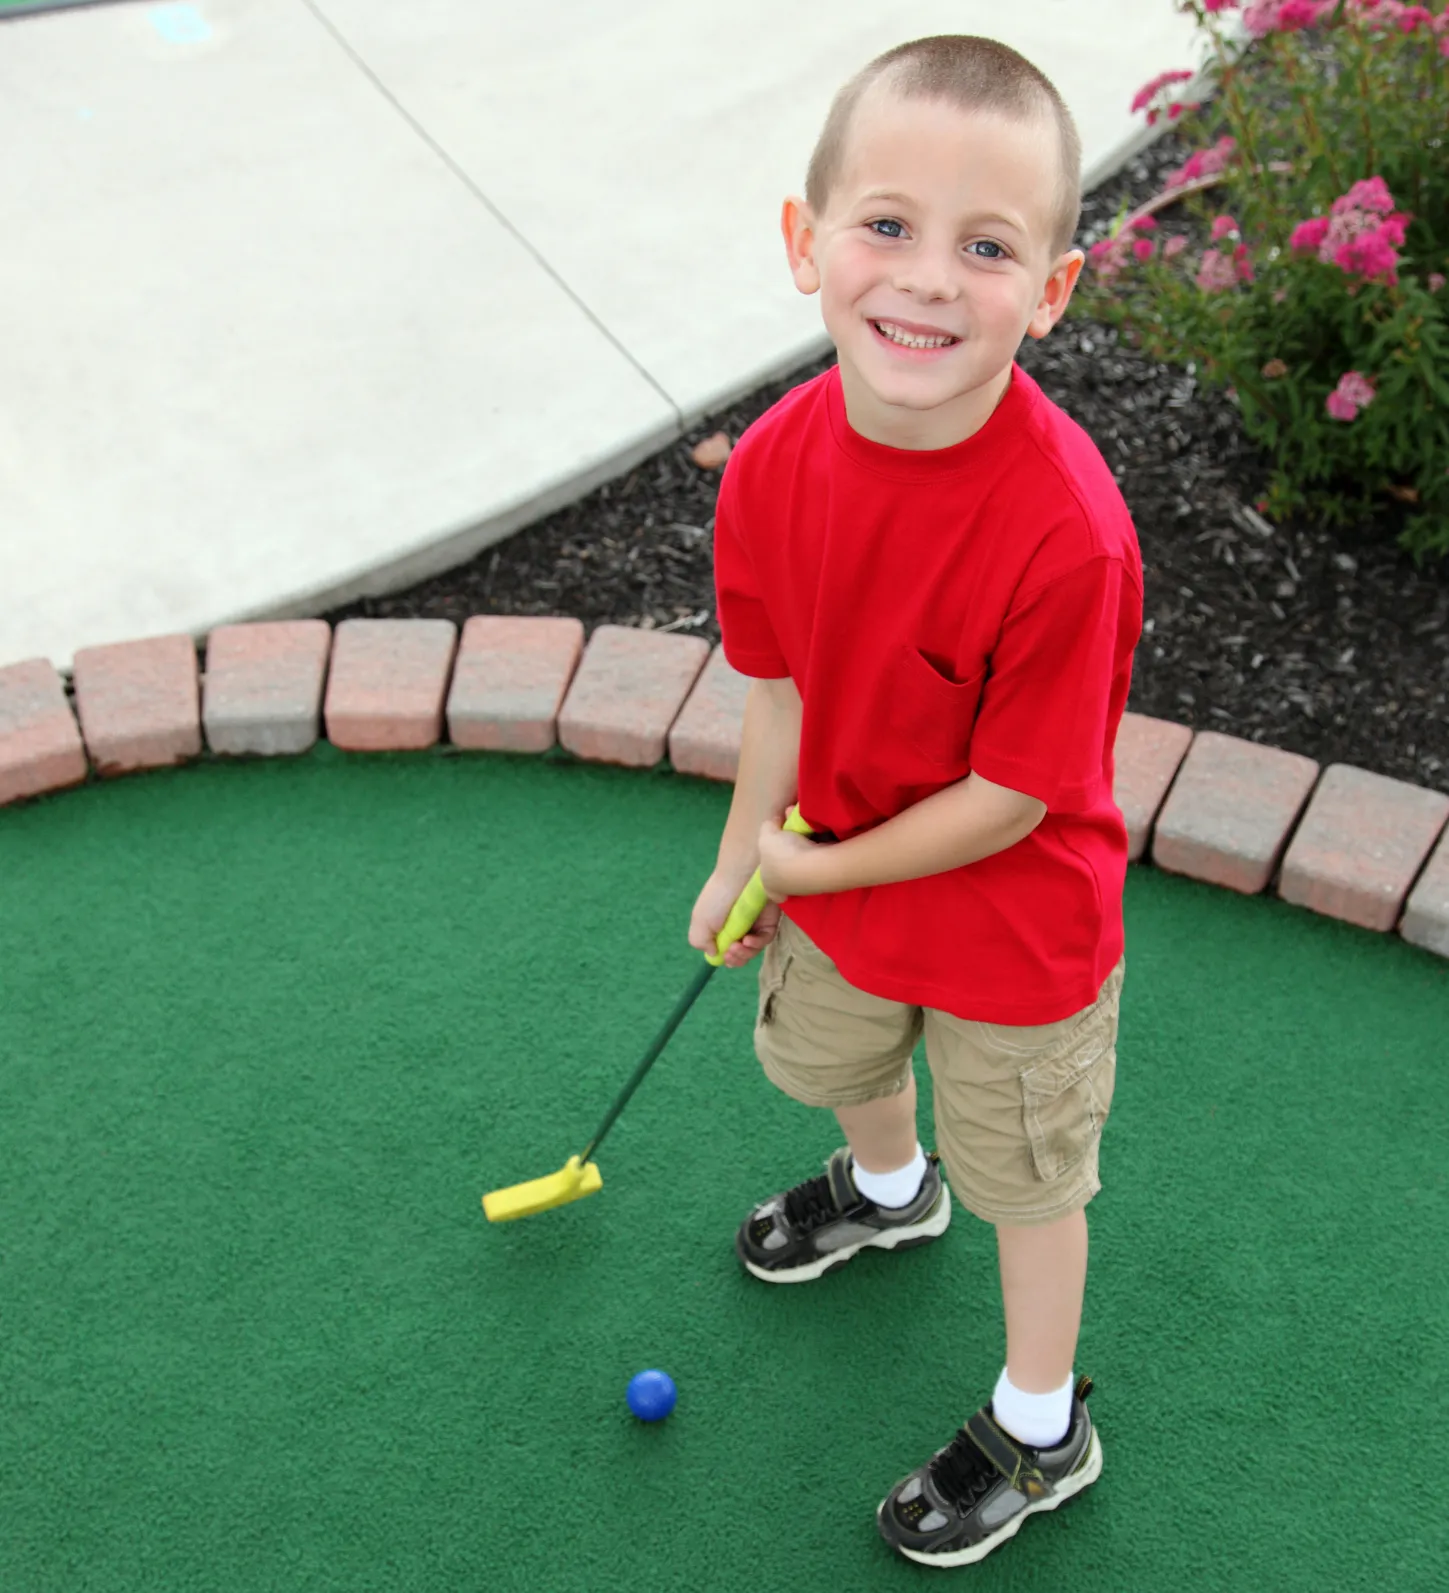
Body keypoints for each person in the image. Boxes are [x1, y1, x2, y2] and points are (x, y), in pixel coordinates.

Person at [686, 33, 1143, 1570]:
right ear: (807, 243)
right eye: (887, 225)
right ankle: (888, 1190)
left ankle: (1038, 1422)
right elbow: (781, 690)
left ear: (1054, 289)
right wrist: (749, 853)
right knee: (837, 1050)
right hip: (835, 868)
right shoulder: (770, 469)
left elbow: (1017, 797)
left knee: (1026, 1173)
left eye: (988, 246)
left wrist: (815, 869)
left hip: (1014, 923)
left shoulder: (1067, 534)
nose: (930, 279)